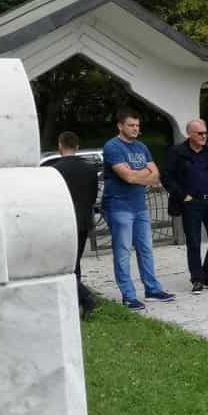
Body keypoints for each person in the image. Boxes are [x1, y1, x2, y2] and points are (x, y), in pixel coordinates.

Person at [101, 109, 175, 311]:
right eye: (131, 125)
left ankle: (152, 289)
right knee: (123, 251)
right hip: (119, 206)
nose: (135, 129)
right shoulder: (112, 147)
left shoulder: (142, 147)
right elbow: (128, 177)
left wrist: (137, 175)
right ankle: (128, 296)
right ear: (120, 126)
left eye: (137, 126)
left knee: (146, 249)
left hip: (140, 206)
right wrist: (142, 174)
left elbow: (156, 175)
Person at [163, 119, 208, 294]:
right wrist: (183, 196)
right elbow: (167, 177)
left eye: (205, 132)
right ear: (190, 134)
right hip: (191, 203)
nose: (204, 136)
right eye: (200, 133)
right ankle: (197, 279)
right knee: (193, 241)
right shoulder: (177, 152)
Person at [52, 131, 100, 317]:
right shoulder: (90, 169)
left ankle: (84, 297)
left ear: (60, 146)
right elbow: (93, 196)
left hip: (64, 221)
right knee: (75, 262)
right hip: (83, 221)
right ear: (77, 146)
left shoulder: (55, 170)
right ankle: (79, 301)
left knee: (64, 264)